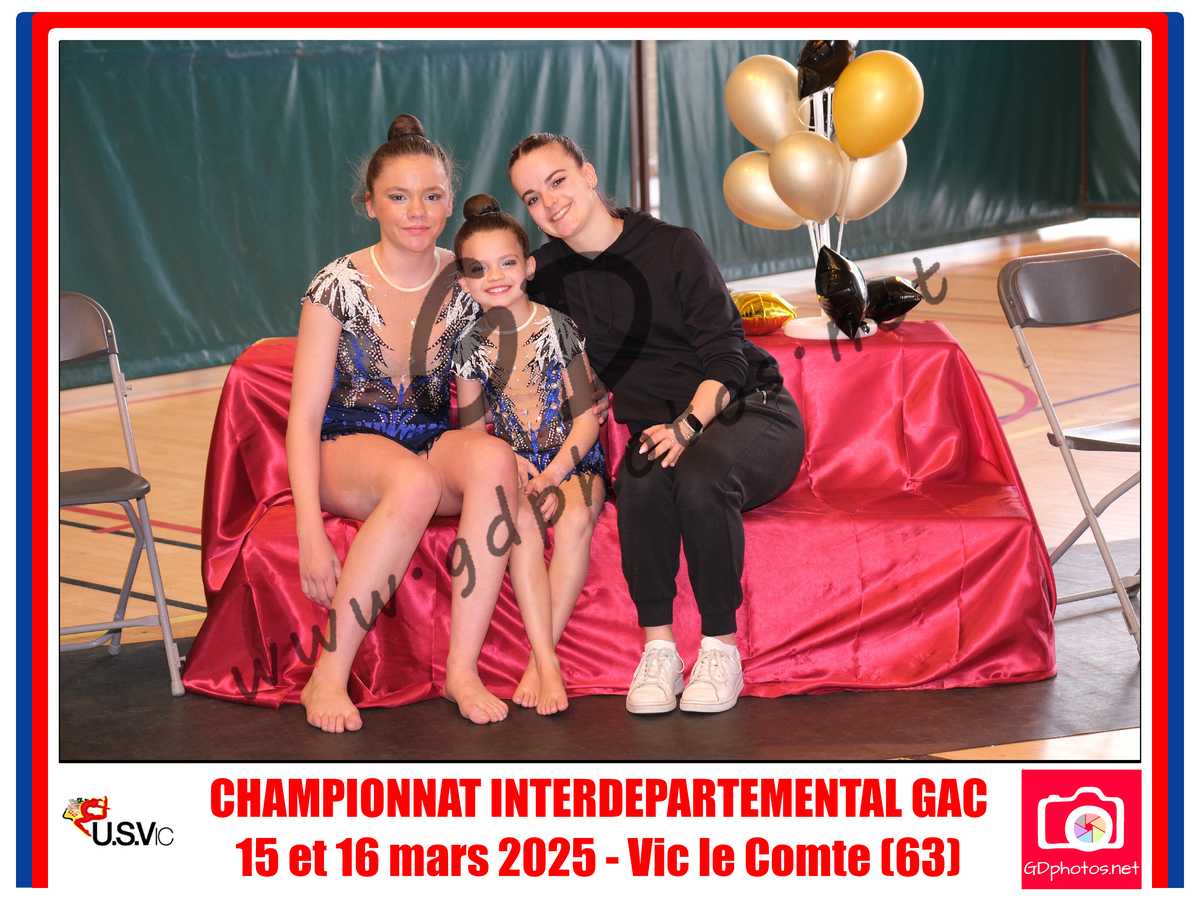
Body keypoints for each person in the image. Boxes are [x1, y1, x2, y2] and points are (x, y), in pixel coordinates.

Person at [509, 133, 806, 715]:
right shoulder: (549, 273)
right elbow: (483, 281)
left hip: (748, 407)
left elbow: (728, 354)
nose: (549, 203)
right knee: (640, 482)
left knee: (699, 476)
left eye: (558, 181)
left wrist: (687, 426)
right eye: (532, 198)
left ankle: (720, 648)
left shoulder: (674, 247)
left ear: (589, 175)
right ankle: (660, 650)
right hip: (658, 426)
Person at [287, 114, 520, 731]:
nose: (417, 211)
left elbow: (473, 407)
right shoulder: (336, 285)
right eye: (398, 197)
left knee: (492, 458)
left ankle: (461, 671)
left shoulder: (468, 281)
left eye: (432, 196)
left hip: (427, 441)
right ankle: (328, 674)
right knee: (412, 482)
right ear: (370, 204)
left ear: (449, 201)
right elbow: (303, 418)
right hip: (347, 445)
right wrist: (310, 532)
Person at [451, 193, 607, 716]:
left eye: (507, 263)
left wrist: (556, 471)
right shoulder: (469, 346)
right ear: (463, 281)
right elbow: (472, 431)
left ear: (529, 267)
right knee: (519, 528)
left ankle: (540, 665)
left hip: (572, 460)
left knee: (576, 517)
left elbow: (586, 418)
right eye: (478, 269)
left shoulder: (557, 328)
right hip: (511, 464)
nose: (494, 277)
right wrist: (510, 462)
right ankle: (547, 660)